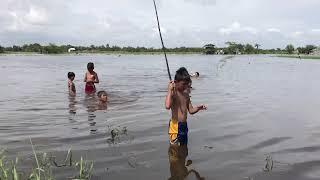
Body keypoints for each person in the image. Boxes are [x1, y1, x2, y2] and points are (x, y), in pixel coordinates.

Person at [165, 67, 207, 146]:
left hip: (184, 126)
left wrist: (198, 108)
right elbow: (167, 106)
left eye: (186, 84)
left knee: (183, 147)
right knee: (175, 149)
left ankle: (183, 158)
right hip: (175, 126)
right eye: (183, 84)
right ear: (175, 82)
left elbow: (191, 111)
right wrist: (169, 90)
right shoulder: (173, 93)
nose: (185, 86)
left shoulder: (186, 95)